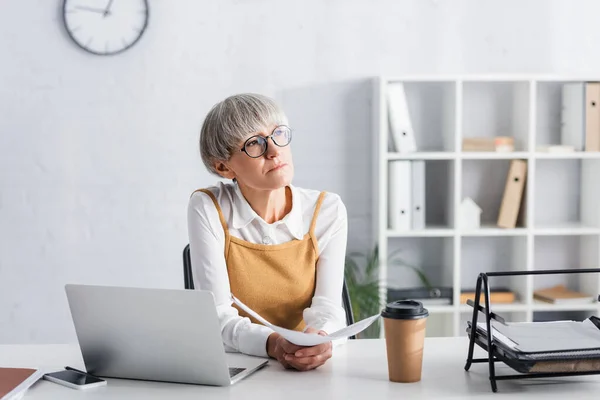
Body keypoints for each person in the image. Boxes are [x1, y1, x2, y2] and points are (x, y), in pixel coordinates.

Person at [187, 93, 349, 371]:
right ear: (224, 167)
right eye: (254, 143)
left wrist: (320, 339)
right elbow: (217, 316)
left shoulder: (327, 209)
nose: (274, 151)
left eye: (277, 134)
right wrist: (273, 344)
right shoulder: (208, 208)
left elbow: (328, 308)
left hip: (311, 368)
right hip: (238, 368)